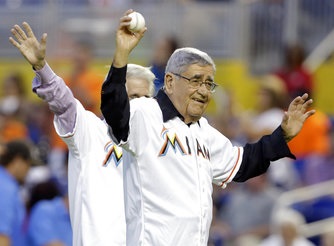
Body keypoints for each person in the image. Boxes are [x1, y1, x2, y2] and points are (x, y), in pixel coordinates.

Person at [100, 9, 315, 245]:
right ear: (170, 81)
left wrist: (282, 135)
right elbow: (114, 112)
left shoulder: (204, 131)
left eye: (209, 84)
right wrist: (121, 54)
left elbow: (243, 164)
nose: (203, 91)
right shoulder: (145, 113)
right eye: (195, 81)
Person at [9, 21, 155, 245]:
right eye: (131, 97)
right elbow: (64, 103)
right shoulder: (93, 131)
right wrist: (42, 68)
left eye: (144, 98)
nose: (137, 105)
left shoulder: (156, 146)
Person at [0, 139, 33, 246]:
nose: (28, 171)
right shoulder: (5, 188)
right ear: (18, 160)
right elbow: (2, 235)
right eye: (28, 165)